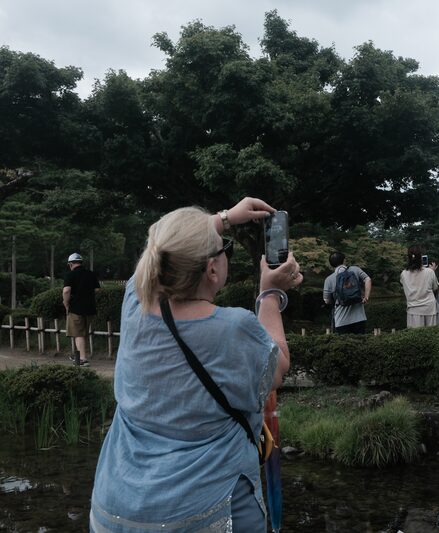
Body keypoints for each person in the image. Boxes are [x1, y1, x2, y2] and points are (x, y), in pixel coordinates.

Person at [90, 197, 298, 532]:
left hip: (114, 509)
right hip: (203, 512)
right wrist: (270, 295)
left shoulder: (134, 304)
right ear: (212, 269)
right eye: (223, 248)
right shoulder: (234, 328)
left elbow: (159, 245)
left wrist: (224, 219)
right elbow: (278, 367)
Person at [63, 252, 100, 366]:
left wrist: (66, 303)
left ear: (70, 264)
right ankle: (79, 356)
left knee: (78, 334)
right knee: (84, 333)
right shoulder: (91, 274)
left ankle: (83, 359)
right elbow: (97, 290)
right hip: (90, 309)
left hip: (76, 309)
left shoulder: (70, 275)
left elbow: (66, 291)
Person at [322, 251, 372, 334]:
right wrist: (366, 296)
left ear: (331, 264)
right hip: (359, 318)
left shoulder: (329, 279)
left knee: (344, 345)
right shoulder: (355, 269)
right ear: (344, 260)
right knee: (361, 344)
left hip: (341, 320)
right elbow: (368, 279)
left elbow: (326, 301)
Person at [400, 245, 439, 328]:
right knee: (431, 335)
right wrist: (432, 271)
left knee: (415, 337)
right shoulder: (430, 272)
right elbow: (435, 288)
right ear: (421, 257)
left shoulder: (403, 274)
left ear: (409, 258)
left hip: (413, 309)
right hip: (429, 308)